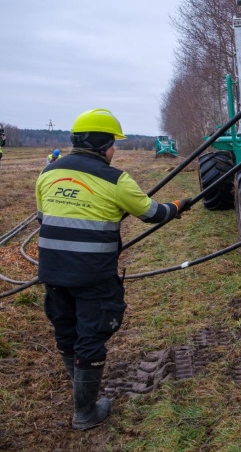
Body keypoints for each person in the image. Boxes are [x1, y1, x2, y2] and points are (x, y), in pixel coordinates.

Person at [35, 108, 192, 430]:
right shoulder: (115, 178)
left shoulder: (48, 173)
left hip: (51, 271)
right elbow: (153, 214)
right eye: (113, 143)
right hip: (92, 275)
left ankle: (81, 391)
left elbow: (45, 217)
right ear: (103, 144)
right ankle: (85, 412)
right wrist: (179, 205)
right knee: (91, 337)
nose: (114, 150)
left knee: (67, 332)